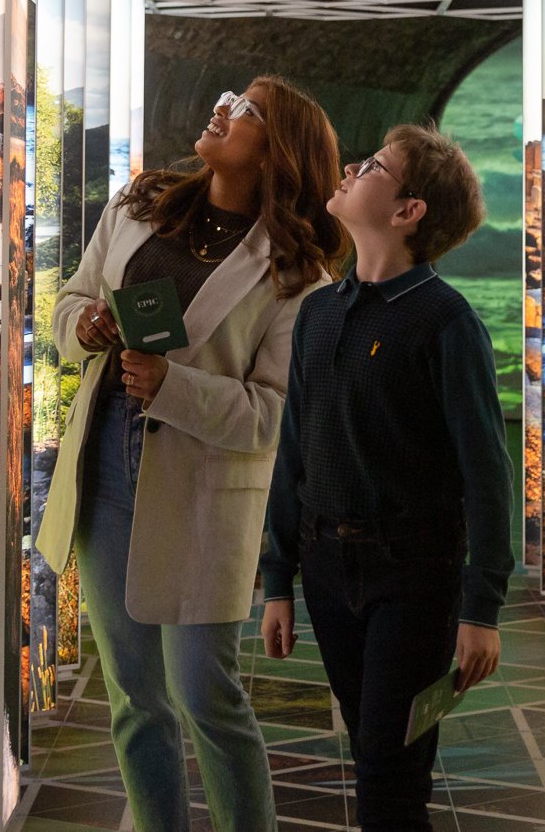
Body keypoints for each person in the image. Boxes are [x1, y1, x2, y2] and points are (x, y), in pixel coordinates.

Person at [37, 77, 348, 832]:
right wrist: (84, 330)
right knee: (134, 696)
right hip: (106, 464)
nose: (222, 108)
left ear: (280, 154)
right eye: (227, 95)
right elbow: (69, 300)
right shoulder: (138, 204)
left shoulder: (298, 277)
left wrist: (173, 387)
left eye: (246, 110)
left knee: (205, 691)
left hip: (203, 488)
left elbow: (273, 416)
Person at [259, 123, 514, 832]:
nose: (348, 167)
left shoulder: (445, 321)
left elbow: (486, 472)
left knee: (389, 770)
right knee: (372, 752)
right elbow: (294, 453)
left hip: (415, 576)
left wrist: (480, 608)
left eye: (372, 165)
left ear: (408, 212)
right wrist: (278, 579)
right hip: (327, 569)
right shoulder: (317, 313)